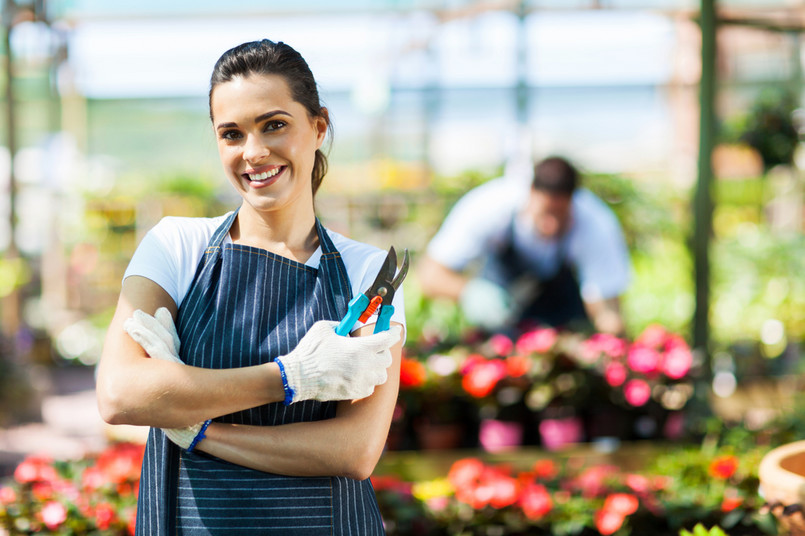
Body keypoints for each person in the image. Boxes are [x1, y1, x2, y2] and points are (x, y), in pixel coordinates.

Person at [96, 39, 405, 535]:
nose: (254, 152)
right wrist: (291, 376)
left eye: (275, 125)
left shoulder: (366, 273)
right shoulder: (177, 246)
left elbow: (353, 450)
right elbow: (119, 394)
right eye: (232, 134)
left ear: (318, 126)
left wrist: (197, 426)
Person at [418, 156, 629, 335]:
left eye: (560, 214)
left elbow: (607, 308)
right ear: (530, 192)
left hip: (562, 330)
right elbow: (430, 275)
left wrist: (611, 344)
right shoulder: (489, 207)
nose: (551, 224)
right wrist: (470, 292)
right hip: (499, 327)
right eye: (545, 213)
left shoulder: (595, 223)